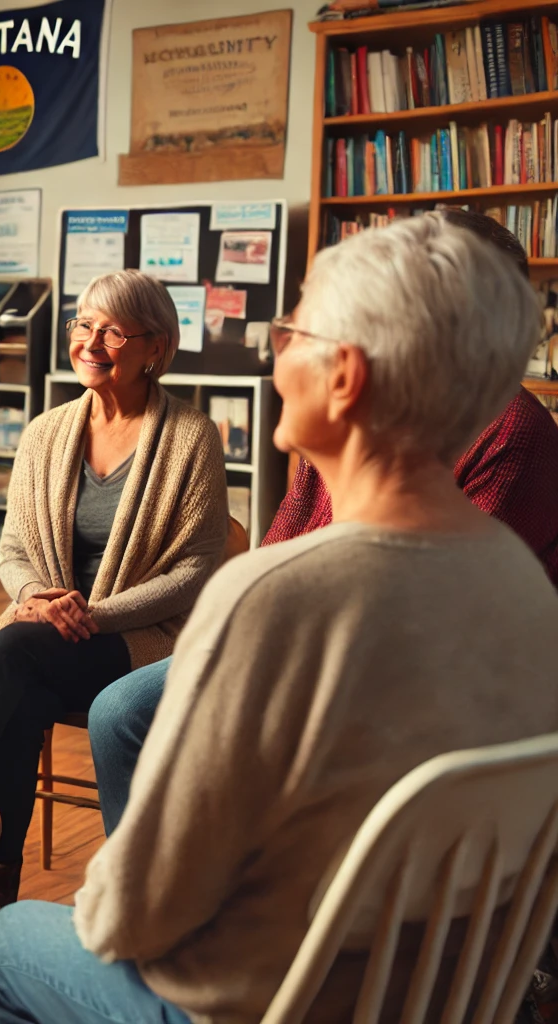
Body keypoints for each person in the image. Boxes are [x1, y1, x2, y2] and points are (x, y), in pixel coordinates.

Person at [0, 210, 558, 1024]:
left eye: (295, 331)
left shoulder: (275, 599)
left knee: (2, 948)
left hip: (267, 1002)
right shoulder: (525, 586)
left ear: (347, 375)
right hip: (429, 993)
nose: (275, 349)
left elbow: (121, 918)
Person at [88, 207, 558, 838]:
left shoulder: (509, 430)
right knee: (122, 710)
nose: (283, 356)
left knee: (12, 939)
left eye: (300, 335)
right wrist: (254, 608)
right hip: (304, 633)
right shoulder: (355, 418)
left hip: (382, 672)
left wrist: (266, 619)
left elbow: (433, 607)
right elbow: (288, 538)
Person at [0, 269, 227, 928]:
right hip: (42, 639)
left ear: (155, 349)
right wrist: (35, 596)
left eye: (113, 330)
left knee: (16, 652)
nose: (91, 340)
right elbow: (13, 550)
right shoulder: (45, 432)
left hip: (135, 643)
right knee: (21, 689)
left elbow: (197, 570)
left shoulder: (192, 438)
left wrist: (94, 613)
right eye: (83, 324)